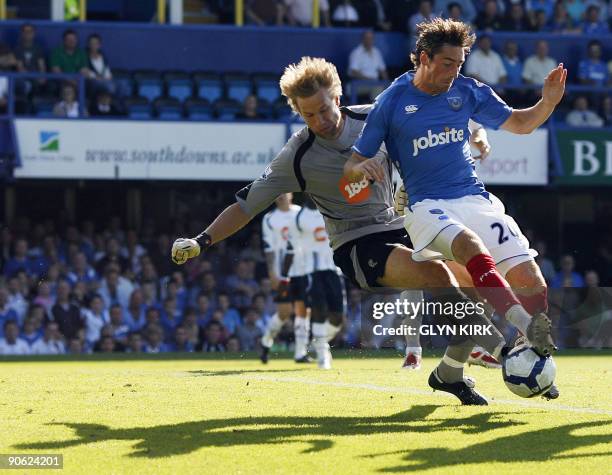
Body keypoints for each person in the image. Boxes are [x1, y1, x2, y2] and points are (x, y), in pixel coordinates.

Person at [171, 56, 516, 405]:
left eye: (324, 109)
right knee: (436, 274)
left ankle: (449, 374)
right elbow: (246, 206)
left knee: (472, 274)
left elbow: (440, 116)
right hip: (357, 244)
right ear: (299, 113)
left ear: (337, 97)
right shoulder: (298, 155)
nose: (320, 120)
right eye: (309, 115)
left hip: (400, 224)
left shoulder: (374, 117)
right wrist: (202, 241)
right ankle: (510, 355)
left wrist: (478, 133)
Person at [345, 18, 562, 390]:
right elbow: (351, 165)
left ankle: (450, 373)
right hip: (424, 204)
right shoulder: (392, 101)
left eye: (460, 63)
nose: (454, 71)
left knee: (531, 285)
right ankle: (524, 331)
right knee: (470, 250)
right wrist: (361, 167)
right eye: (448, 63)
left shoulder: (468, 91)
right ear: (424, 58)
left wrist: (548, 101)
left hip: (475, 198)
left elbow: (522, 124)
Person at [259, 193, 312, 363]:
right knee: (284, 313)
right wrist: (272, 273)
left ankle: (300, 353)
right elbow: (269, 248)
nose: (281, 196)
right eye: (277, 193)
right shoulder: (269, 219)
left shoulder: (301, 213)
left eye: (284, 192)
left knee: (303, 310)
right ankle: (266, 341)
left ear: (291, 194)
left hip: (303, 269)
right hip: (282, 272)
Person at [348, 30, 388, 101]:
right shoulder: (356, 53)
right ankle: (376, 111)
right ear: (362, 39)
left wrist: (387, 84)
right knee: (377, 89)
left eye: (371, 38)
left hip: (375, 83)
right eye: (367, 38)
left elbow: (382, 71)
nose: (369, 40)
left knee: (388, 88)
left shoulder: (376, 52)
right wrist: (369, 80)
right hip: (359, 84)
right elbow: (353, 72)